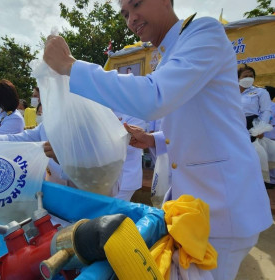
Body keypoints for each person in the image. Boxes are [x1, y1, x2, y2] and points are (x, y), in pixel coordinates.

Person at [43, 0, 272, 279]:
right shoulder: (170, 54)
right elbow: (205, 124)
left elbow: (154, 97)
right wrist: (153, 140)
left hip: (223, 208)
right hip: (195, 208)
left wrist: (71, 66)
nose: (131, 19)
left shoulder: (203, 32)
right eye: (125, 13)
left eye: (136, 4)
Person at [238, 64, 272, 142]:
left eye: (251, 76)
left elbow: (266, 111)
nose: (248, 78)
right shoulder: (231, 93)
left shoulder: (261, 92)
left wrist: (260, 129)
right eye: (245, 76)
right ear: (238, 78)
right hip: (234, 124)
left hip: (251, 125)